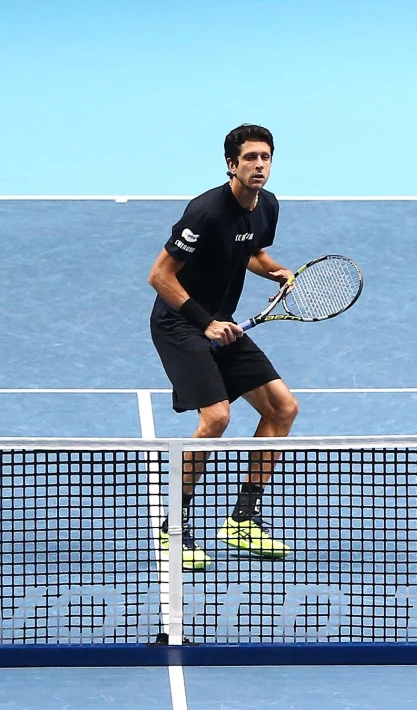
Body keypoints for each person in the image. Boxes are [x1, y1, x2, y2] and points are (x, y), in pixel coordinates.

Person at [147, 124, 298, 570]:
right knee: (216, 417)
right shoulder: (205, 212)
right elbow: (159, 276)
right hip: (180, 324)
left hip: (221, 325)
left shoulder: (266, 206)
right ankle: (172, 526)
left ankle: (242, 520)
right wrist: (205, 323)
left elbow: (249, 250)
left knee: (282, 408)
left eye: (265, 157)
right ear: (231, 164)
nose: (259, 165)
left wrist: (275, 272)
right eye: (250, 158)